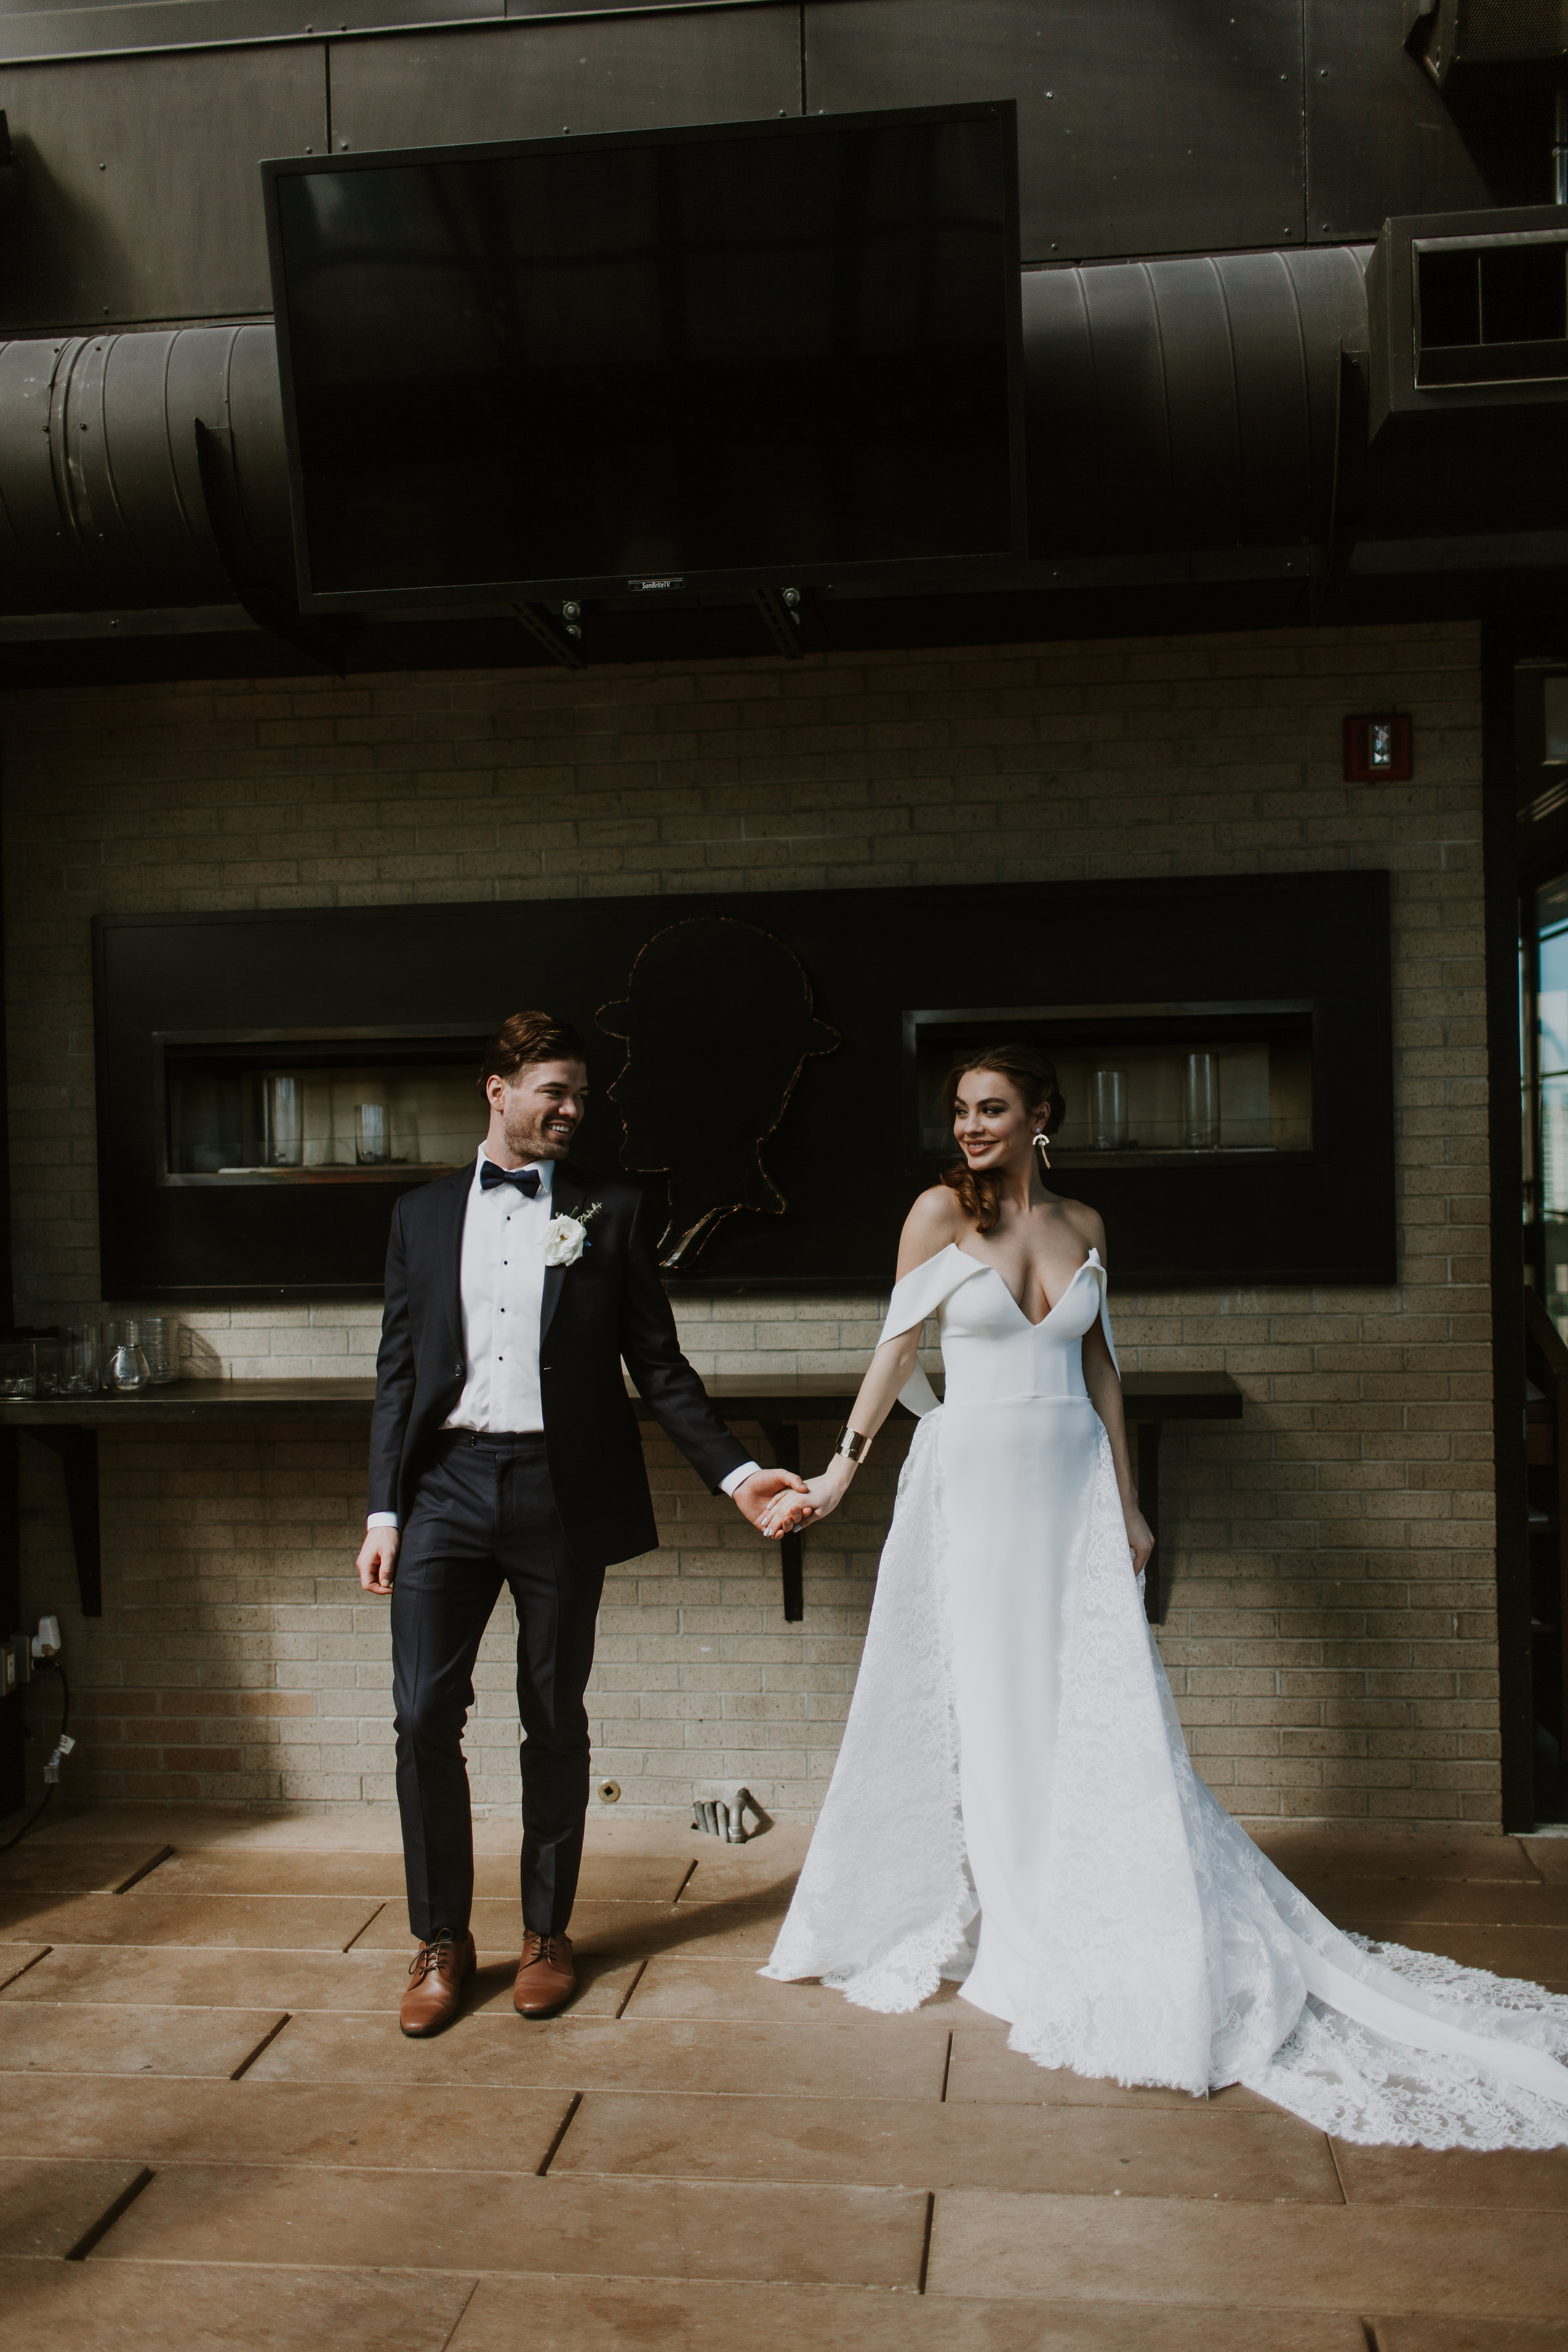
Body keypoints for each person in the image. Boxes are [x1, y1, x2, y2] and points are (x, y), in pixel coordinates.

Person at [760, 1043, 1568, 2149]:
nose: (971, 1128)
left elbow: (1101, 1368)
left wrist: (1131, 1507)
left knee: (1080, 1707)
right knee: (992, 1709)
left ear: (1044, 1114)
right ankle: (1029, 1929)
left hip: (1072, 1492)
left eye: (993, 1109)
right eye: (960, 1111)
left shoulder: (1086, 1228)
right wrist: (842, 1475)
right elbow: (894, 1355)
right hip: (978, 1492)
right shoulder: (938, 1215)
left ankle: (1090, 1899)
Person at [357, 1010, 806, 2037]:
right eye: (553, 1091)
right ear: (498, 1090)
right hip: (445, 1490)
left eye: (580, 1096)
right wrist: (385, 1509)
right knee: (424, 1715)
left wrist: (735, 1473)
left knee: (553, 1714)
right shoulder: (419, 1217)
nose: (571, 1110)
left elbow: (658, 1364)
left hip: (564, 1493)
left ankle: (547, 1934)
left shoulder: (612, 1208)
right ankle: (441, 1940)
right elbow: (396, 1374)